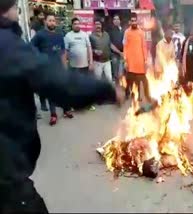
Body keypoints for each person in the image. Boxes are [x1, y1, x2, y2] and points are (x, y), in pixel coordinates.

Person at [0, 0, 125, 212]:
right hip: (5, 172)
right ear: (9, 9)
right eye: (15, 7)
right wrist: (109, 91)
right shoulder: (7, 45)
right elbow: (60, 84)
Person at [31, 13, 73, 126]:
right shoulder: (40, 35)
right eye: (50, 20)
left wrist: (65, 67)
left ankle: (65, 110)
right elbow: (31, 47)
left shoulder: (59, 35)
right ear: (45, 22)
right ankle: (53, 115)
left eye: (54, 20)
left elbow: (63, 52)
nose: (52, 22)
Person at [64, 17, 95, 111]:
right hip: (73, 66)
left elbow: (89, 48)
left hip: (85, 65)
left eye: (78, 23)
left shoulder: (85, 35)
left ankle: (88, 104)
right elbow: (66, 51)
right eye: (75, 24)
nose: (77, 25)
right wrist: (65, 63)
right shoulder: (68, 36)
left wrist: (91, 62)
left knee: (86, 86)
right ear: (72, 25)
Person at [123, 12, 151, 102]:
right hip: (130, 62)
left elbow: (144, 46)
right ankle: (127, 94)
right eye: (132, 21)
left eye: (135, 21)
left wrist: (145, 59)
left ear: (137, 21)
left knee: (139, 80)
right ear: (129, 22)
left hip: (139, 61)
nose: (134, 22)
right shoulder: (126, 32)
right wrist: (125, 60)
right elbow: (125, 47)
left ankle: (139, 96)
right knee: (129, 79)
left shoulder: (141, 32)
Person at [109, 14, 125, 83]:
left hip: (123, 54)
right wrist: (119, 52)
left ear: (120, 21)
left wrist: (124, 52)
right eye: (114, 19)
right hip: (114, 54)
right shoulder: (110, 31)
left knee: (121, 72)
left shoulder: (123, 30)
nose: (116, 21)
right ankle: (116, 88)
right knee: (115, 72)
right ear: (113, 21)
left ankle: (121, 85)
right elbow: (110, 44)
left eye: (117, 19)